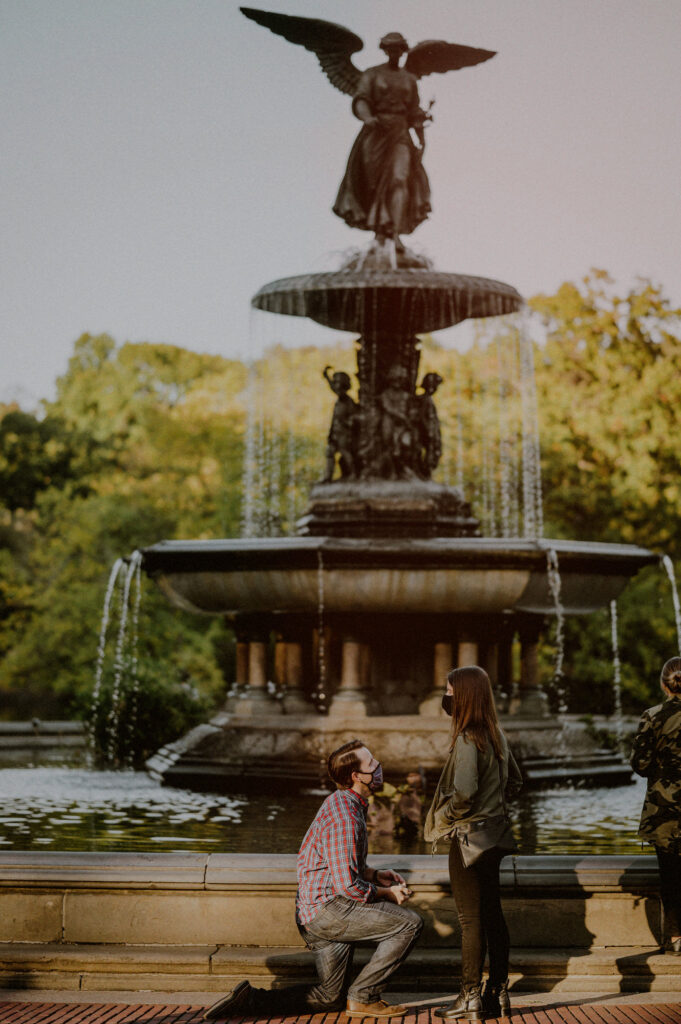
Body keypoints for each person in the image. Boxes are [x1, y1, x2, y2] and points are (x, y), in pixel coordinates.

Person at [204, 739, 423, 1020]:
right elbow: (349, 886)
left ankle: (250, 1001)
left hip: (315, 912)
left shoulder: (344, 802)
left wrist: (376, 875)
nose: (378, 767)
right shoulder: (346, 815)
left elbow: (342, 866)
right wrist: (388, 893)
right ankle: (364, 998)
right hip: (329, 910)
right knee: (410, 924)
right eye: (372, 764)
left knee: (329, 996)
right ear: (357, 776)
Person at [424, 666, 523, 1020]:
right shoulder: (497, 734)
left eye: (449, 691)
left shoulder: (467, 738)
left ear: (462, 696)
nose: (446, 697)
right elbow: (515, 782)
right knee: (493, 915)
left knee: (469, 920)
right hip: (495, 836)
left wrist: (446, 817)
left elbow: (464, 792)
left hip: (468, 839)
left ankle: (468, 997)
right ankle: (497, 992)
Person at [333, 32, 431, 245]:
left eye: (398, 48)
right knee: (374, 184)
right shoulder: (372, 74)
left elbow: (414, 111)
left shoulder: (409, 79)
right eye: (389, 48)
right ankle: (379, 232)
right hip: (376, 132)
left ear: (403, 50)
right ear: (385, 50)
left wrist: (421, 136)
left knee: (399, 179)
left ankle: (394, 232)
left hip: (400, 133)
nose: (394, 52)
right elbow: (361, 99)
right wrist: (367, 117)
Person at [630, 656, 681, 955]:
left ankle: (675, 937)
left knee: (671, 874)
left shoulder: (653, 716)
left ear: (664, 685)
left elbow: (640, 763)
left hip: (665, 811)